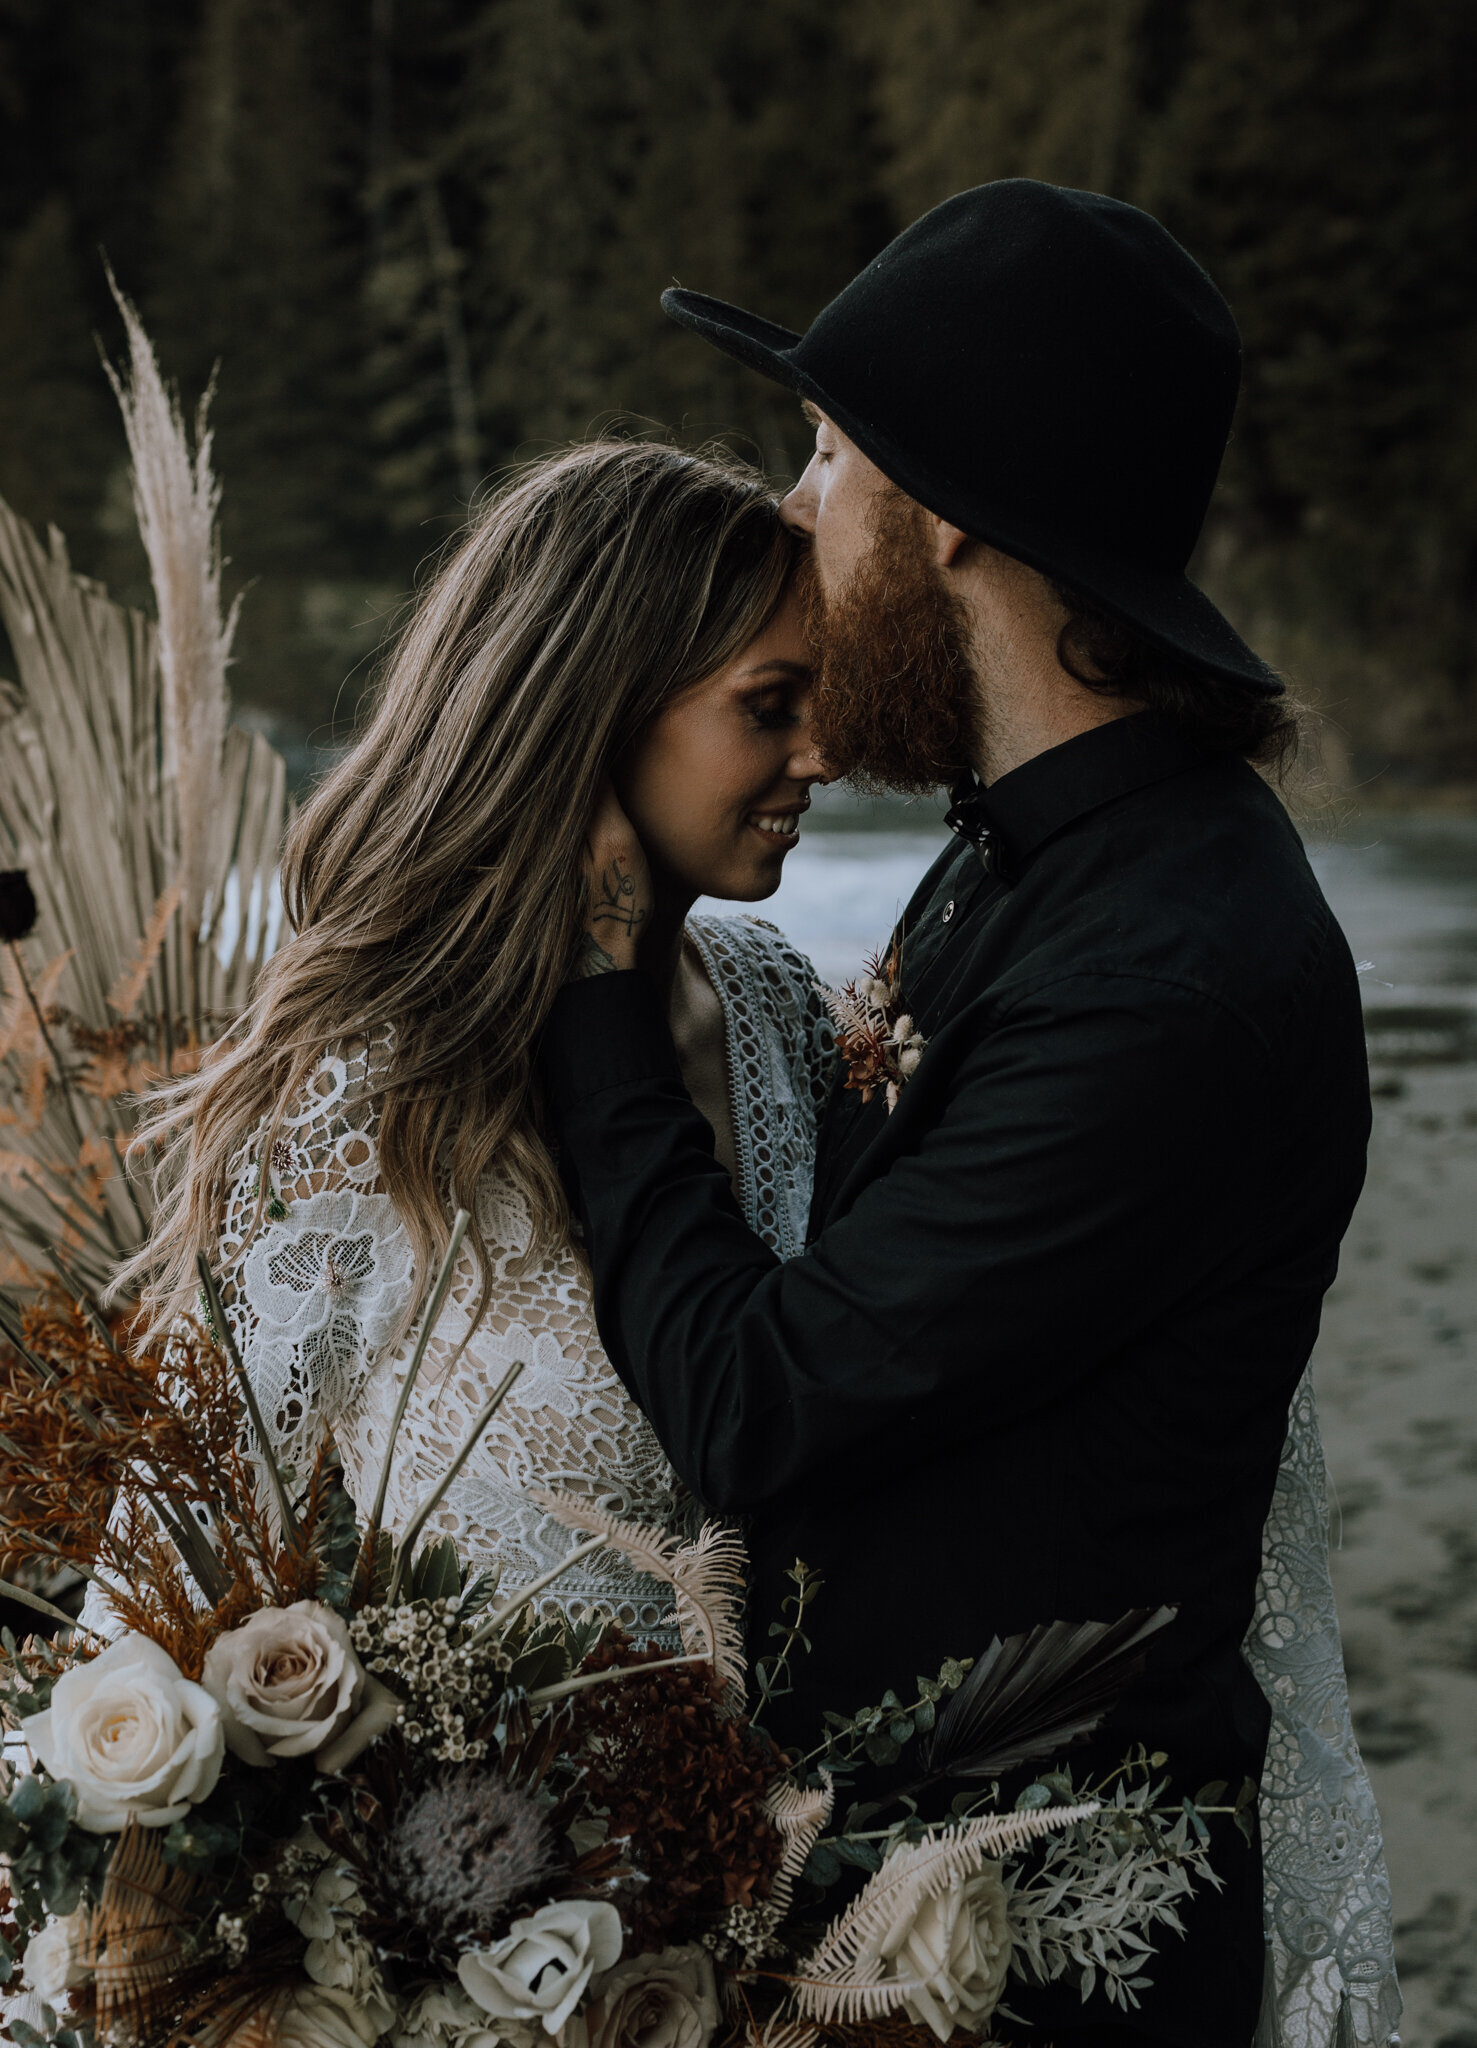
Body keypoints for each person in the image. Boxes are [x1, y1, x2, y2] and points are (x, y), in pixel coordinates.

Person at [538, 182, 1400, 2045]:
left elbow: (760, 1404)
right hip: (877, 1896)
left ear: (941, 518)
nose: (790, 509)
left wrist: (605, 980)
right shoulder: (1025, 859)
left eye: (825, 453)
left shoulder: (1164, 977)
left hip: (1035, 1952)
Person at [120, 440, 834, 1639]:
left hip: (830, 1820)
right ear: (592, 712)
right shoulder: (371, 1076)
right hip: (496, 1814)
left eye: (826, 700)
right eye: (770, 707)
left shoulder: (783, 1010)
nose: (824, 754)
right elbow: (173, 1564)